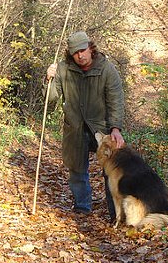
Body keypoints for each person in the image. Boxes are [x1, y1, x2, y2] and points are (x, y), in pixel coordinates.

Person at [45, 31, 125, 220]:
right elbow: (50, 102)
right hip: (74, 126)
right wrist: (49, 80)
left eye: (83, 50)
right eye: (75, 53)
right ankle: (82, 207)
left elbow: (116, 100)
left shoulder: (107, 69)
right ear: (70, 54)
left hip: (102, 127)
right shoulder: (63, 69)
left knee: (111, 170)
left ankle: (116, 213)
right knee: (76, 168)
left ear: (91, 48)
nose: (80, 56)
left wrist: (115, 128)